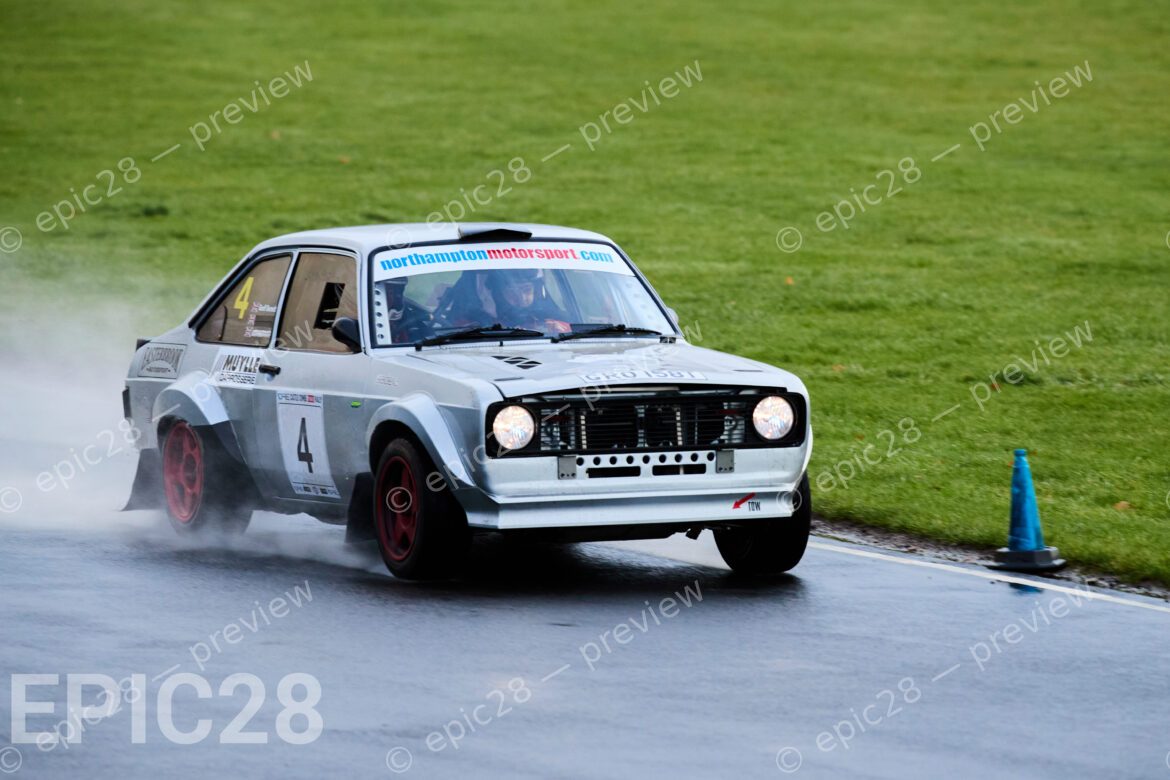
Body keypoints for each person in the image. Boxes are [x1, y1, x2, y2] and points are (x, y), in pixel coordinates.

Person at [486, 268, 570, 332]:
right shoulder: (484, 328)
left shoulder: (555, 322)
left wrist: (560, 332)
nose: (521, 298)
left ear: (536, 291)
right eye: (512, 292)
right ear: (499, 295)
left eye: (527, 290)